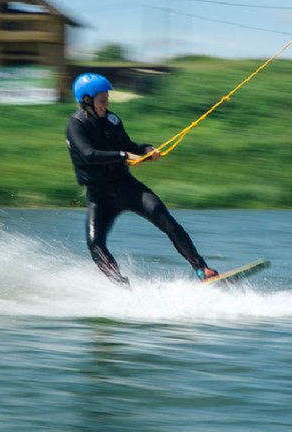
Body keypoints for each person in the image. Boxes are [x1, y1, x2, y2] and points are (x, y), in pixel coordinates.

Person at [65, 73, 219, 286]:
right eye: (102, 100)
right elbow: (88, 154)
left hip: (127, 187)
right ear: (87, 101)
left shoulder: (112, 120)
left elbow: (128, 145)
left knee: (167, 221)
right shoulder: (76, 125)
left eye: (107, 99)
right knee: (95, 244)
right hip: (100, 197)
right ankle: (120, 285)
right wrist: (124, 156)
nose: (106, 104)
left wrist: (146, 150)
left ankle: (203, 270)